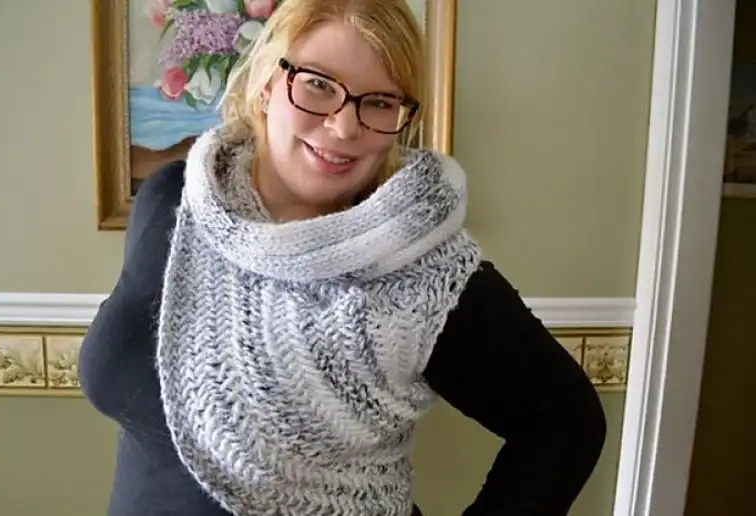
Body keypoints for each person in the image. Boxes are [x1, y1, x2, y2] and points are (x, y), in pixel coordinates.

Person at [78, 0, 607, 514]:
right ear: (267, 84)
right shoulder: (174, 201)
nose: (344, 127)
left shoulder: (417, 273)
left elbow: (566, 418)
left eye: (378, 102)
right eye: (317, 85)